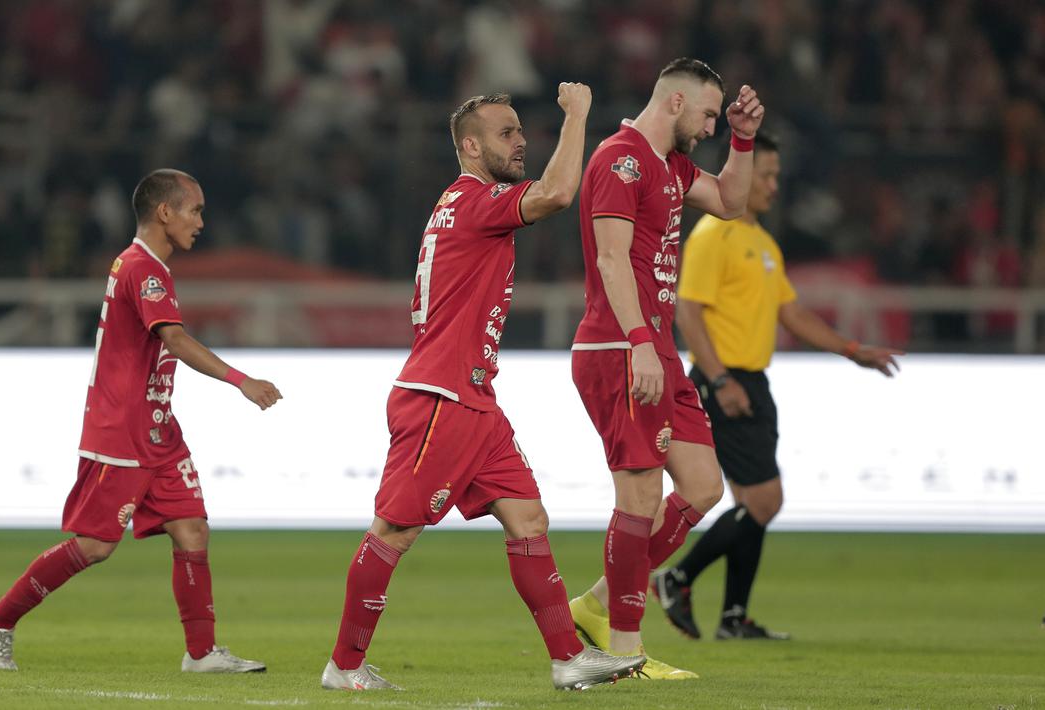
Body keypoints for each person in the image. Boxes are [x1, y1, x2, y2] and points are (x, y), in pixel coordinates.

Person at [321, 84, 646, 692]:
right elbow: (555, 194)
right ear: (470, 147)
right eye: (507, 133)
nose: (521, 140)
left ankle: (567, 659)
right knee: (394, 531)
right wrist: (577, 116)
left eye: (522, 130)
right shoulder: (474, 200)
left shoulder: (460, 202)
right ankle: (343, 666)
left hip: (473, 397)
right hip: (442, 397)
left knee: (529, 519)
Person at [0, 169, 283, 672]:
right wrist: (241, 381)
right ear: (165, 212)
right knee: (95, 546)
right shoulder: (144, 269)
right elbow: (175, 340)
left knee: (192, 531)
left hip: (158, 429)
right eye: (194, 210)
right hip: (124, 430)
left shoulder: (148, 265)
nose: (201, 221)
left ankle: (202, 653)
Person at [654, 133, 902, 640]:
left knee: (752, 504)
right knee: (766, 501)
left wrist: (854, 351)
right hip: (724, 380)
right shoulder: (712, 236)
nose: (770, 185)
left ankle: (733, 617)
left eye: (773, 176)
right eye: (763, 174)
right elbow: (689, 311)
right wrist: (720, 380)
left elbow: (792, 313)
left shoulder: (762, 243)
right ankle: (677, 578)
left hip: (752, 380)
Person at [566, 57, 764, 679]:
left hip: (656, 351)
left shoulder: (670, 166)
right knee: (641, 494)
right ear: (676, 103)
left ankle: (600, 604)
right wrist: (638, 341)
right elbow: (612, 256)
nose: (709, 126)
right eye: (709, 114)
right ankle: (624, 652)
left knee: (703, 485)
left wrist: (743, 137)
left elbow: (731, 200)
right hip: (622, 349)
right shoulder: (621, 160)